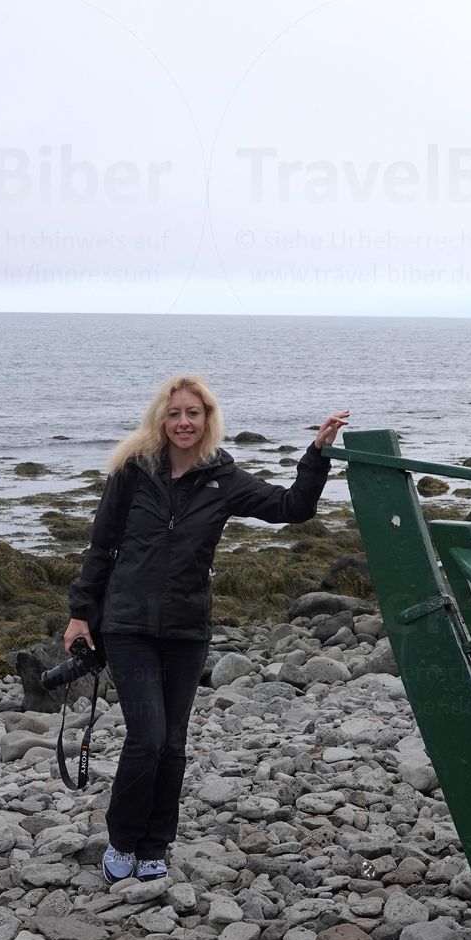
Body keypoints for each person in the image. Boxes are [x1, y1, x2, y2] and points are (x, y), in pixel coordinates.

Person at [66, 374, 349, 883]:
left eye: (192, 413)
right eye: (174, 413)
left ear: (207, 419)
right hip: (127, 626)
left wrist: (317, 455)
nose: (183, 422)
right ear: (161, 418)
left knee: (173, 743)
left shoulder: (224, 478)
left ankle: (155, 845)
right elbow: (101, 545)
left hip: (186, 630)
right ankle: (123, 840)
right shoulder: (133, 472)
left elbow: (292, 508)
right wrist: (80, 613)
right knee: (147, 738)